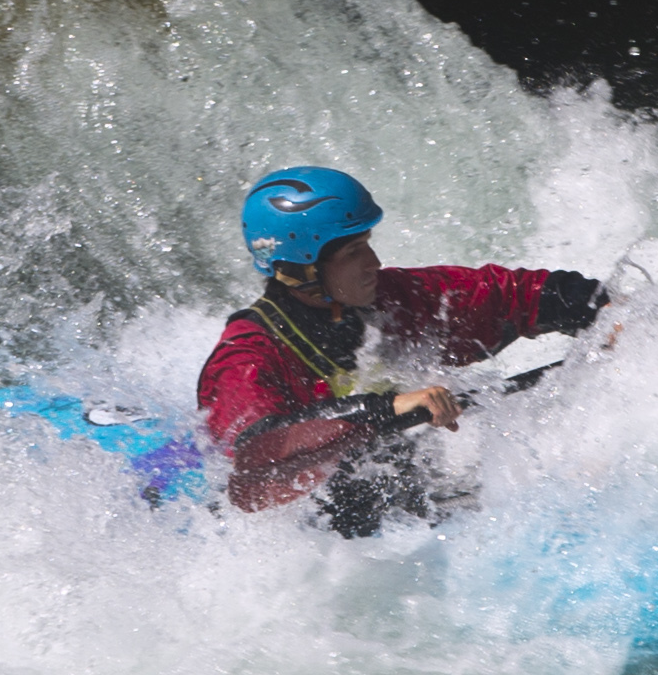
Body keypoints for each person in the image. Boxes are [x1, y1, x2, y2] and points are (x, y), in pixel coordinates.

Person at [198, 166, 604, 534]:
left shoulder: (390, 299)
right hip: (313, 545)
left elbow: (506, 293)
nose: (374, 262)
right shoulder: (246, 357)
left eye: (367, 244)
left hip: (402, 516)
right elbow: (258, 454)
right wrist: (388, 407)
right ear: (301, 266)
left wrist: (605, 311)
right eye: (353, 252)